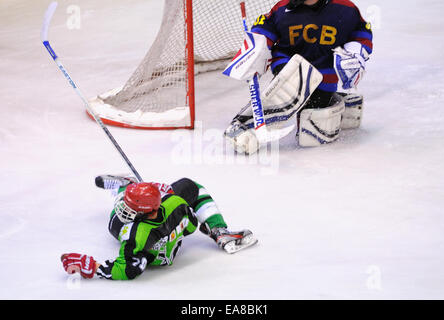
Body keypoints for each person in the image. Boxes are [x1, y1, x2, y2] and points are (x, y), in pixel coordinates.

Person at [224, 0, 373, 153]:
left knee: (313, 132)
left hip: (324, 75)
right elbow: (264, 27)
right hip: (288, 63)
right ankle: (243, 125)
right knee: (288, 90)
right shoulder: (282, 8)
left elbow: (362, 32)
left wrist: (356, 50)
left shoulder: (345, 8)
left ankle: (338, 102)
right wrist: (256, 46)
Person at [61, 175, 257, 280]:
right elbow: (191, 226)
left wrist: (93, 267)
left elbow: (128, 270)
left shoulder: (134, 237)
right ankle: (219, 231)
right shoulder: (175, 203)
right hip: (168, 240)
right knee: (191, 186)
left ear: (143, 212)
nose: (126, 209)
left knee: (117, 214)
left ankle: (125, 186)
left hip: (151, 249)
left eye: (132, 207)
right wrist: (163, 196)